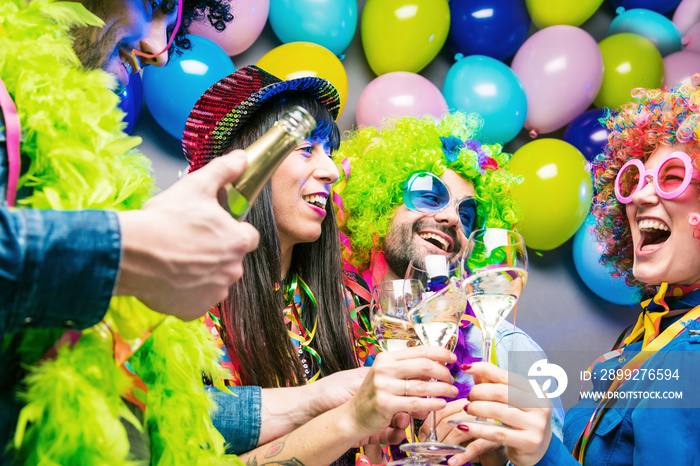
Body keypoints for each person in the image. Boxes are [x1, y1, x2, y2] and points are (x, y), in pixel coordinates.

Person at [0, 0, 261, 464]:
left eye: (172, 18)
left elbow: (148, 395)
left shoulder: (91, 157)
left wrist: (329, 406)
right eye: (151, 4)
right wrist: (124, 250)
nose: (159, 49)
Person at [183, 65, 459, 465]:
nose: (331, 170)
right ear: (242, 168)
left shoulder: (352, 302)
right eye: (306, 148)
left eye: (329, 151)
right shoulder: (186, 307)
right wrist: (346, 418)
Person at [458, 79, 700, 465]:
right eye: (636, 178)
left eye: (673, 177)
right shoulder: (650, 329)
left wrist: (543, 452)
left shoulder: (690, 356)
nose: (638, 195)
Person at [334, 112, 565, 463]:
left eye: (468, 215)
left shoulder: (509, 349)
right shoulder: (320, 323)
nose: (452, 217)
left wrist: (504, 457)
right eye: (429, 195)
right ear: (381, 206)